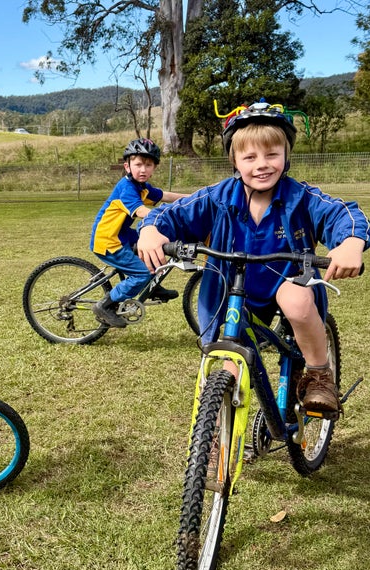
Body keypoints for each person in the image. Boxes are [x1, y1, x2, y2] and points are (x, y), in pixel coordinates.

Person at [137, 100, 369, 415]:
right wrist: (151, 230)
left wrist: (350, 243)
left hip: (290, 279)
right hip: (231, 288)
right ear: (235, 160)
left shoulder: (300, 197)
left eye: (272, 154)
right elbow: (170, 214)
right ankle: (219, 438)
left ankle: (318, 374)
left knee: (297, 303)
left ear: (286, 156)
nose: (262, 164)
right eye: (250, 157)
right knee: (226, 360)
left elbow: (342, 214)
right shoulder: (218, 198)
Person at [89, 137, 189, 327]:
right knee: (140, 274)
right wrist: (161, 218)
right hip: (109, 240)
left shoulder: (142, 187)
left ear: (154, 168)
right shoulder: (126, 188)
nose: (143, 169)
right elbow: (141, 211)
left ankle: (152, 286)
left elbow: (165, 196)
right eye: (138, 164)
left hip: (123, 234)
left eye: (148, 165)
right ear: (127, 166)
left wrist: (194, 198)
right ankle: (105, 305)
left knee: (156, 246)